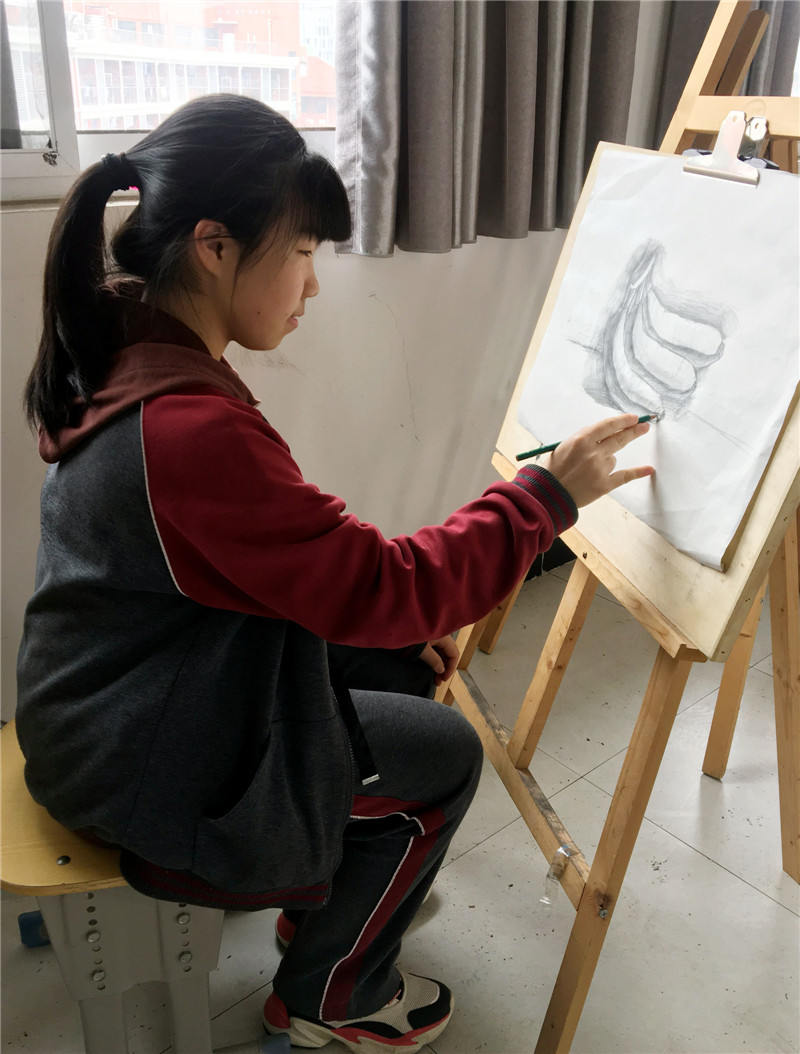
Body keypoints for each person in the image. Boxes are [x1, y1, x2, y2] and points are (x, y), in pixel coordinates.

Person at [15, 94, 653, 1052]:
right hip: (131, 756)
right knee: (444, 758)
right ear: (214, 247)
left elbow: (302, 574)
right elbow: (391, 586)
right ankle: (333, 995)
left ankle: (319, 903)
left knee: (398, 661)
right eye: (304, 251)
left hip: (115, 692)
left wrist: (384, 622)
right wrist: (543, 498)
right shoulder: (186, 431)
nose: (313, 285)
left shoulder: (125, 344)